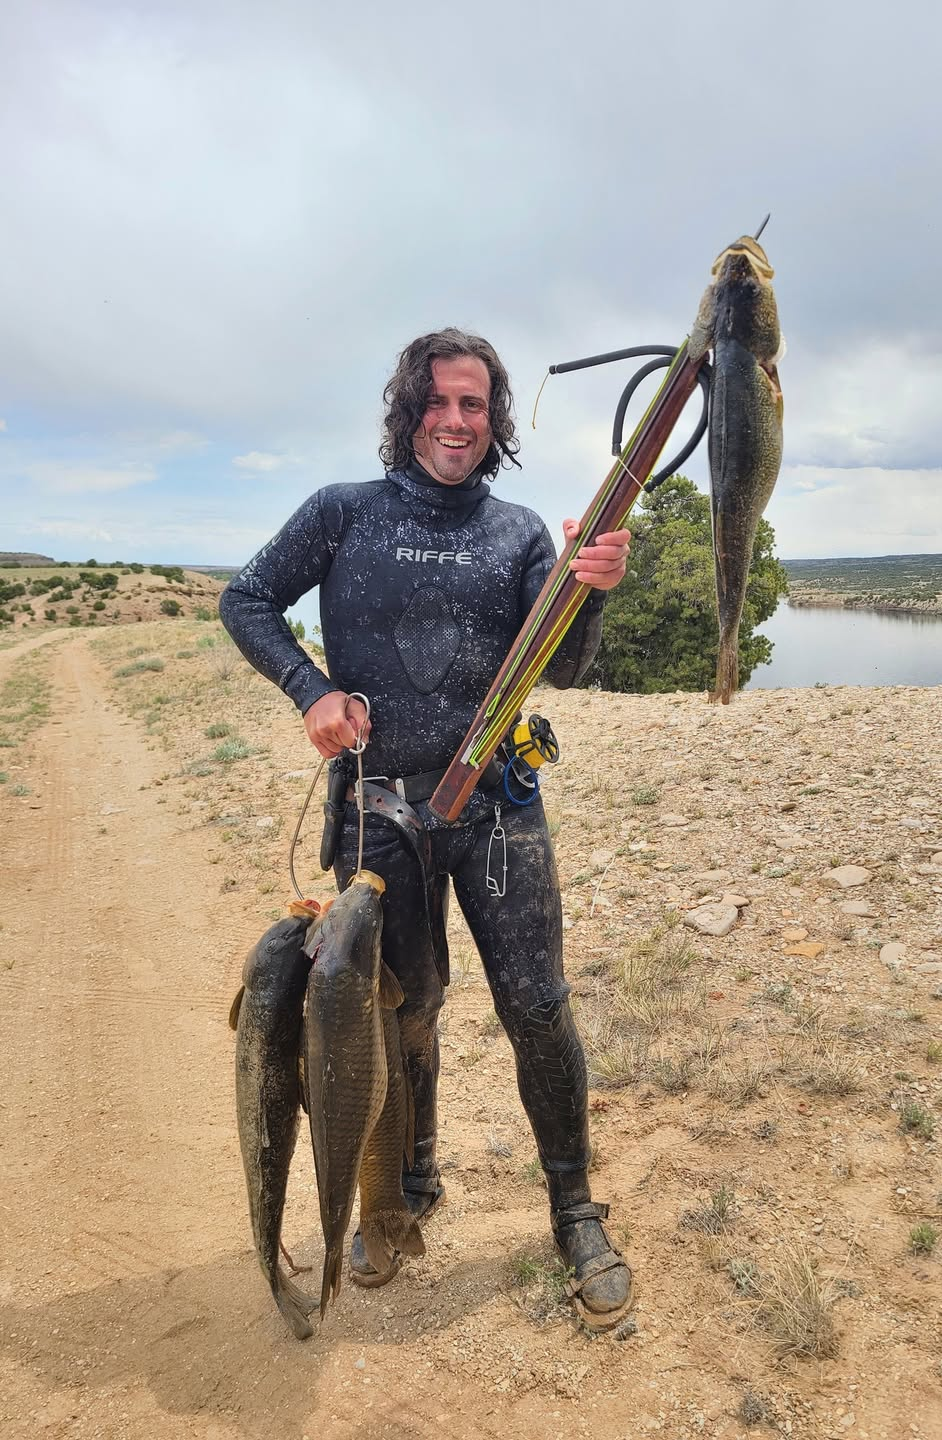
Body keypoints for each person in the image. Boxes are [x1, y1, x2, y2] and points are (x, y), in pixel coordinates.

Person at [219, 328, 633, 1328]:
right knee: (403, 1010)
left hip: (497, 810)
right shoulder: (342, 514)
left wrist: (589, 591)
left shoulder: (525, 531)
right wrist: (311, 689)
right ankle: (405, 1195)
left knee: (538, 1007)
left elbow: (564, 671)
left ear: (494, 423)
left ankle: (575, 1211)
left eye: (475, 406)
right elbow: (247, 601)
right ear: (410, 411)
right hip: (379, 810)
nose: (456, 422)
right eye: (439, 403)